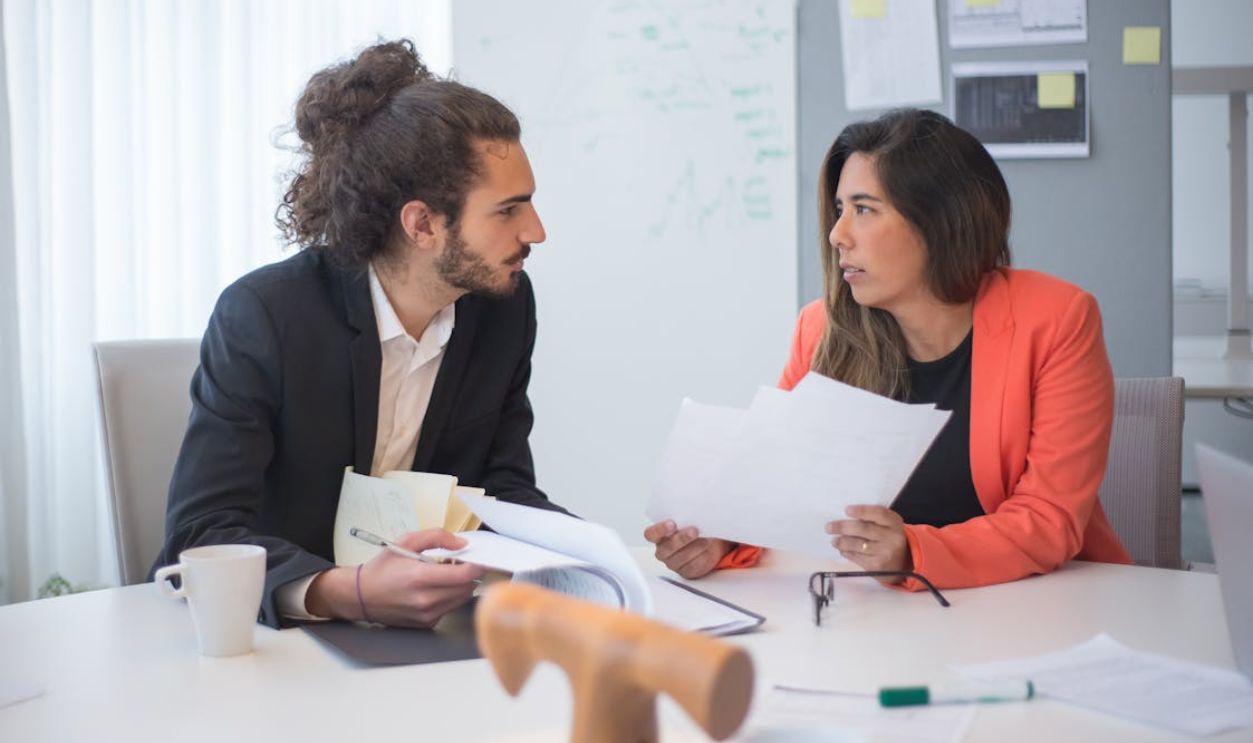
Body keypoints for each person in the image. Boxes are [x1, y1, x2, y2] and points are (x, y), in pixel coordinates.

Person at [154, 39, 568, 628]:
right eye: (509, 210)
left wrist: (603, 560)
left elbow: (501, 492)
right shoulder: (265, 315)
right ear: (422, 223)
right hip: (275, 645)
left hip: (426, 638)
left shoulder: (502, 307)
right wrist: (343, 591)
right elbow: (201, 533)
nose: (537, 231)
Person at [645, 108, 1131, 589]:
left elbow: (1049, 519)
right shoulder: (820, 328)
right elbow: (777, 489)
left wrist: (913, 552)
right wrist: (720, 542)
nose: (838, 235)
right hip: (879, 617)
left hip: (1041, 604)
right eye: (839, 210)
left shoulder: (1056, 319)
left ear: (939, 221)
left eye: (864, 209)